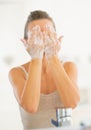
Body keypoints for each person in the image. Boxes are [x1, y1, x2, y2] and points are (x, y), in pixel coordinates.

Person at [8, 10, 80, 129]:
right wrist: (36, 58)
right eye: (36, 35)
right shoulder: (16, 72)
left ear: (56, 38)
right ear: (25, 42)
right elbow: (30, 107)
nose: (42, 39)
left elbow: (72, 103)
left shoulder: (69, 67)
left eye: (47, 33)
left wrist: (53, 57)